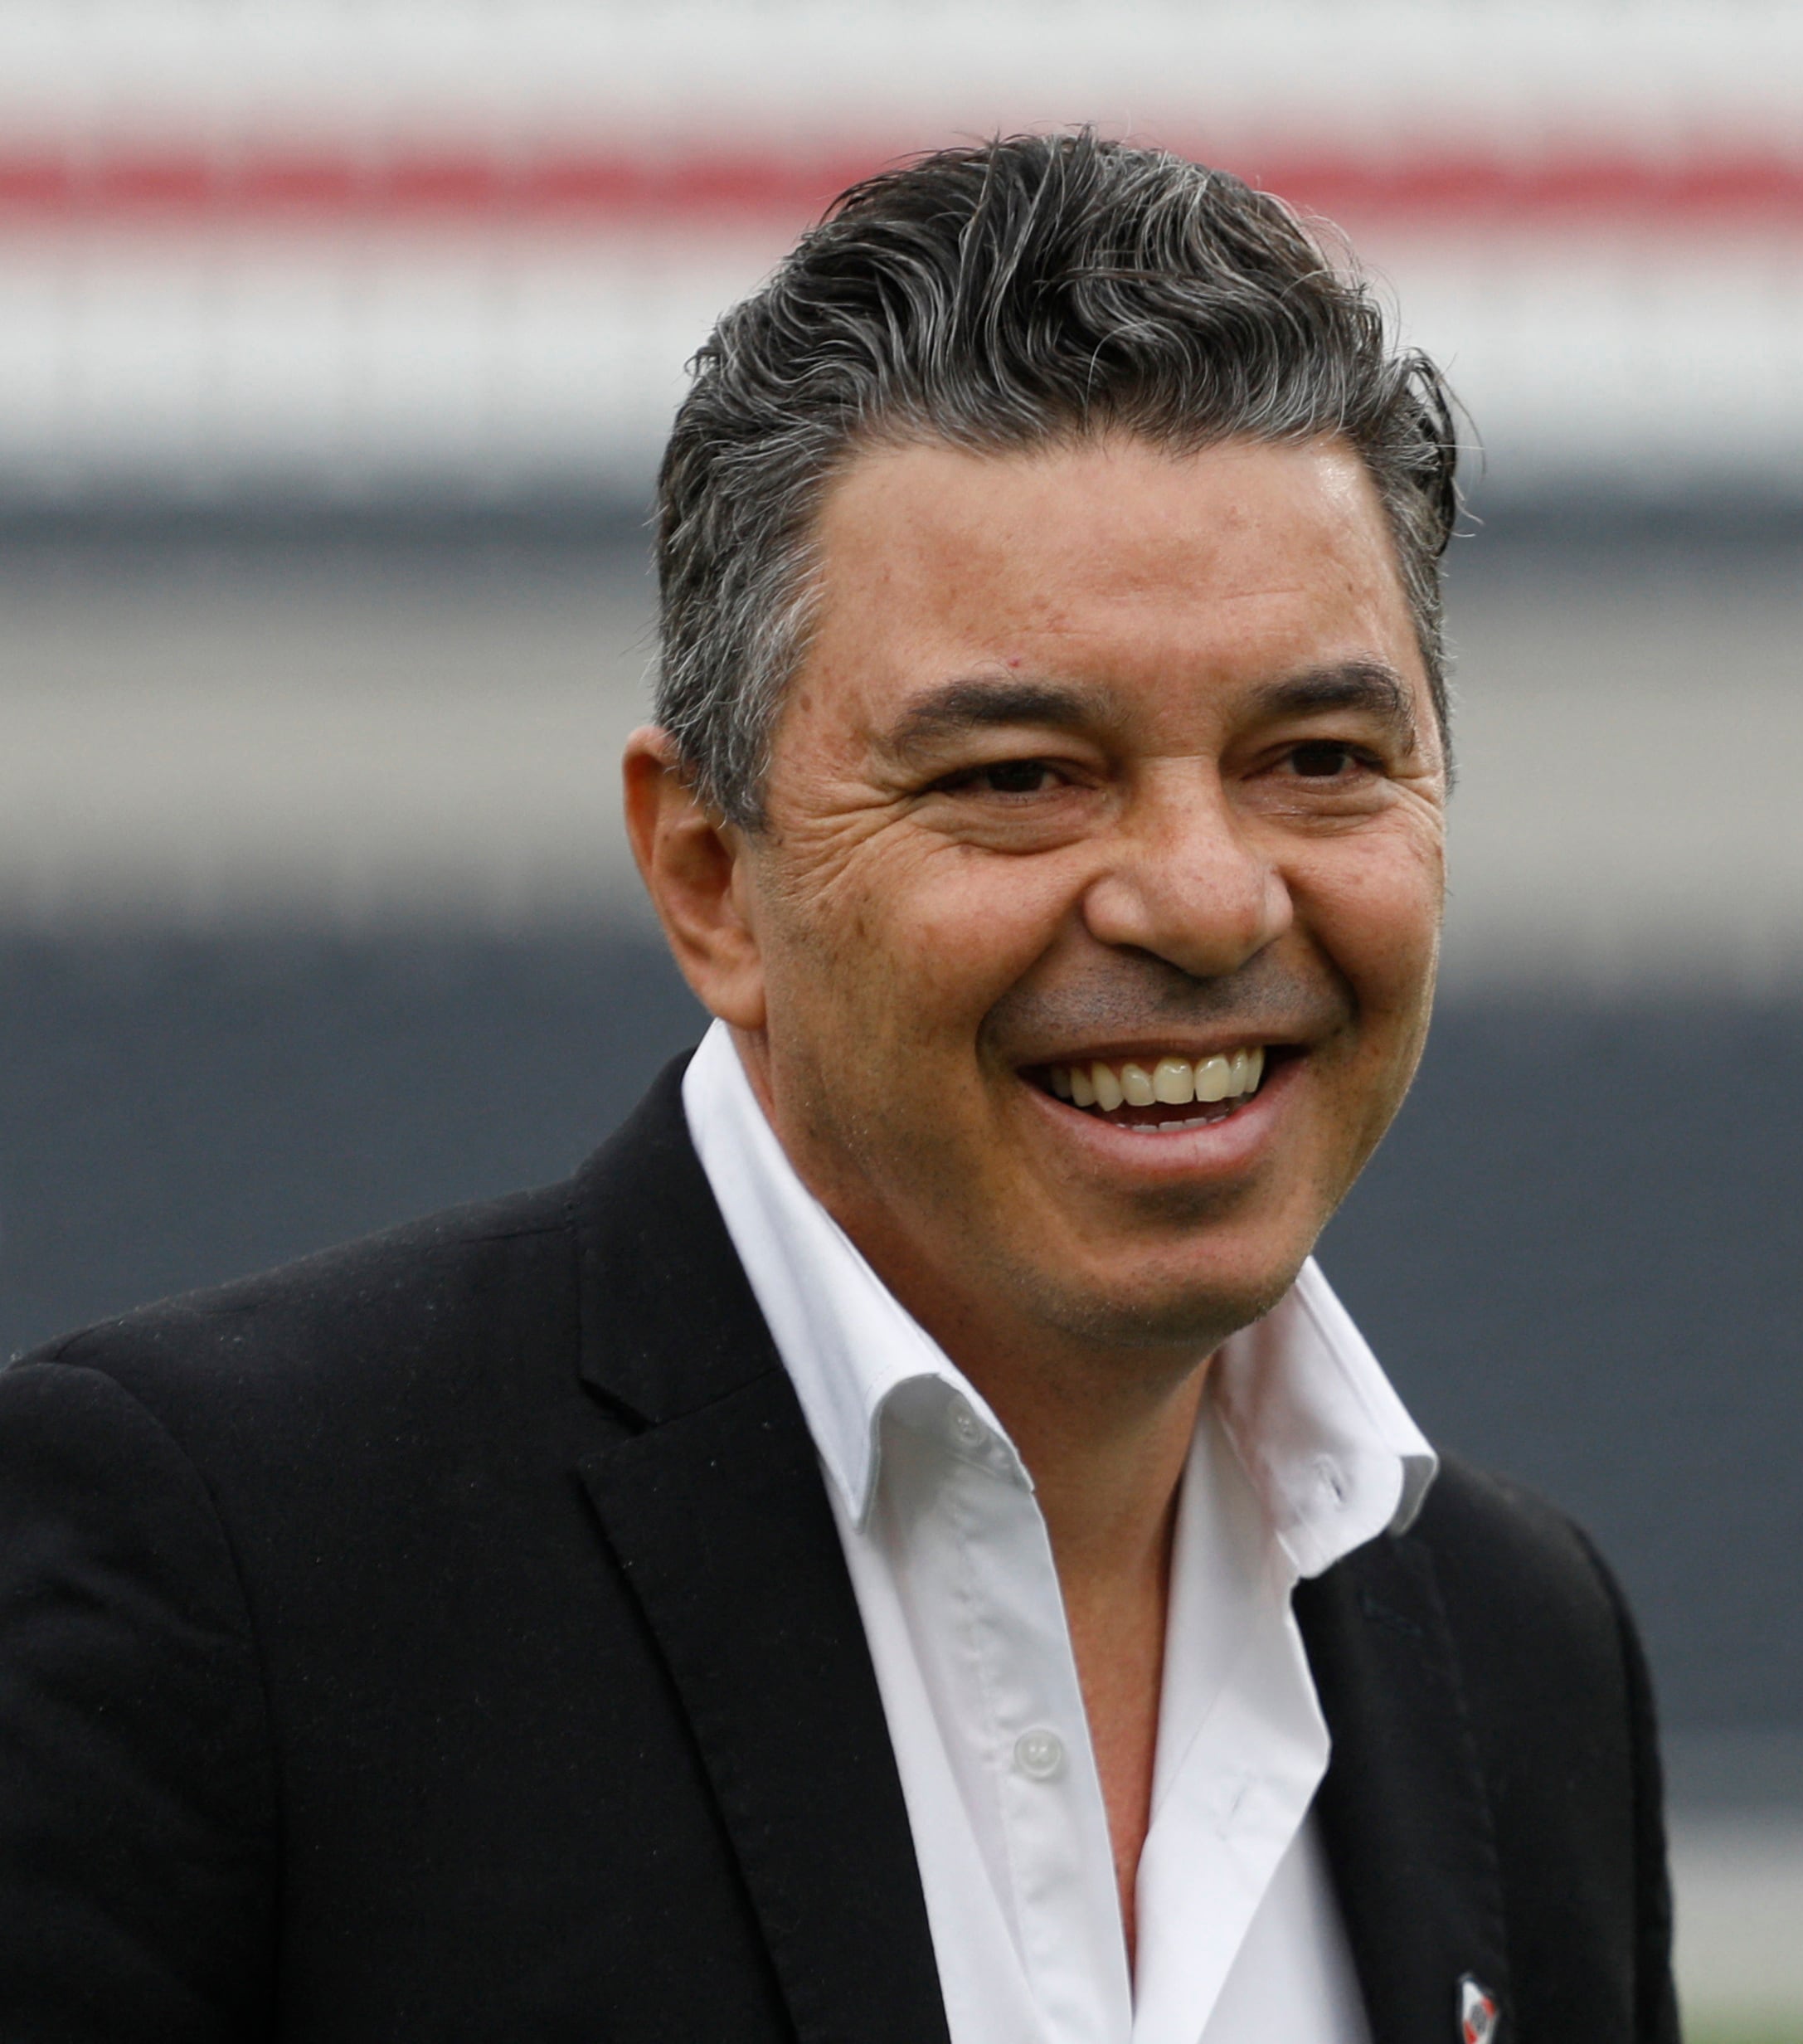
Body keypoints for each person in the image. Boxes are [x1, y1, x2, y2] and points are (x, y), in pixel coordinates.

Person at [0, 133, 1678, 2044]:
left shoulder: (1523, 1655)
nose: (1208, 895)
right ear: (710, 877)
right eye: (1020, 775)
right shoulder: (223, 1568)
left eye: (1316, 754)